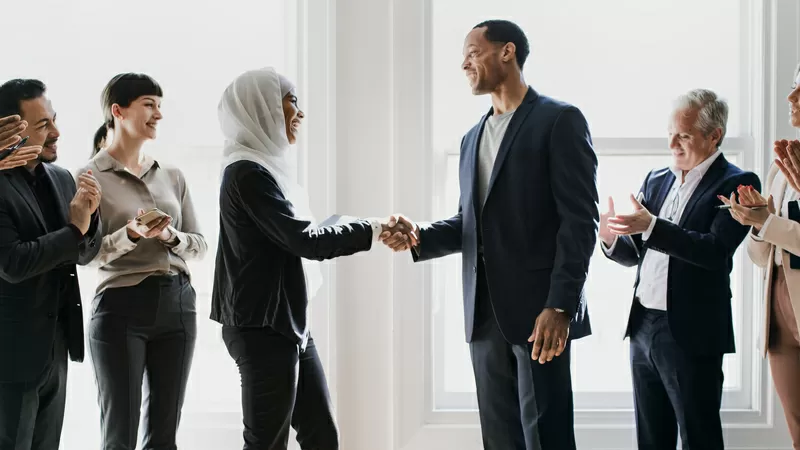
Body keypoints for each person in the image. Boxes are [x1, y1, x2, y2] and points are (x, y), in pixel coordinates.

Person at [381, 20, 598, 450]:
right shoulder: (470, 138)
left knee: (548, 438)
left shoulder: (559, 120)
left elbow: (579, 221)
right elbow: (469, 224)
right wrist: (418, 234)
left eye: (472, 51)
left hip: (541, 316)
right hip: (482, 317)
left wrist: (560, 305)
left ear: (507, 52)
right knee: (499, 440)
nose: (464, 63)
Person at [212, 67, 412, 450]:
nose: (300, 112)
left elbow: (305, 233)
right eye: (290, 100)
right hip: (263, 327)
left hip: (286, 323)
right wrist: (372, 228)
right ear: (262, 107)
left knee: (321, 435)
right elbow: (306, 240)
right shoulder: (247, 173)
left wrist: (367, 226)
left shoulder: (265, 170)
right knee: (267, 443)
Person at [600, 89, 759, 449]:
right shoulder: (657, 179)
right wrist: (611, 239)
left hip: (691, 332)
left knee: (698, 437)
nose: (672, 143)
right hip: (642, 326)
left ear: (714, 135)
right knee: (651, 438)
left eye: (684, 135)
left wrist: (653, 226)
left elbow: (715, 253)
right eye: (671, 132)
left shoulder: (736, 183)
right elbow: (636, 253)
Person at [79, 73, 207, 450]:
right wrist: (131, 234)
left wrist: (169, 236)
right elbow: (86, 257)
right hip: (120, 308)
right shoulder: (88, 179)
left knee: (164, 437)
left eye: (160, 106)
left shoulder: (172, 176)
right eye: (149, 104)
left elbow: (199, 245)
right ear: (117, 111)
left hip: (178, 304)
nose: (158, 114)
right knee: (120, 435)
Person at [0, 79, 102, 450]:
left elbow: (85, 252)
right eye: (43, 125)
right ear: (9, 129)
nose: (56, 132)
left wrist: (90, 221)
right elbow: (13, 262)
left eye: (54, 120)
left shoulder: (61, 179)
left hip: (57, 347)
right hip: (11, 356)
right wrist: (75, 228)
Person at [725, 64, 800, 450]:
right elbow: (760, 257)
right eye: (792, 86)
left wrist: (768, 223)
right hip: (780, 320)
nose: (792, 98)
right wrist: (755, 225)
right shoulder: (779, 168)